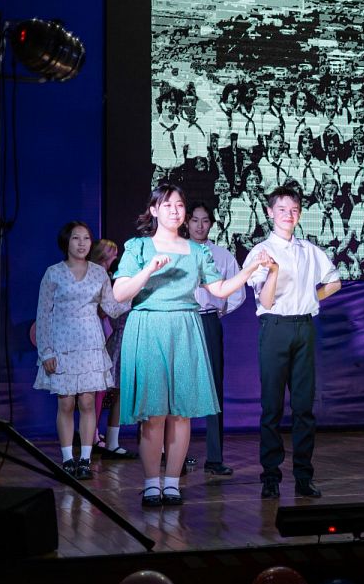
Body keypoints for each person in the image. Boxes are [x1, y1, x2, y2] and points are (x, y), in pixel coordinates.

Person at [113, 184, 267, 508]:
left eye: (179, 205)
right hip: (149, 326)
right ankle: (151, 484)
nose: (174, 210)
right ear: (154, 210)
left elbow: (220, 289)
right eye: (167, 205)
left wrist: (250, 269)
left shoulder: (197, 252)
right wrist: (148, 270)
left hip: (185, 327)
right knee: (154, 414)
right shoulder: (138, 247)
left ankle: (172, 483)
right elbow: (120, 293)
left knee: (181, 414)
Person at [243, 185, 342, 499]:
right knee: (271, 407)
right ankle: (271, 476)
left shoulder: (309, 250)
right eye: (282, 209)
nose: (288, 214)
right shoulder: (261, 251)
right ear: (270, 212)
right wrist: (273, 272)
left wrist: (311, 297)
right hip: (274, 326)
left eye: (294, 210)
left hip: (303, 327)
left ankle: (303, 476)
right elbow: (266, 301)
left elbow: (334, 282)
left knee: (303, 408)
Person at [34, 222, 131, 479]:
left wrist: (135, 292)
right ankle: (68, 459)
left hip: (90, 344)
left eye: (86, 238)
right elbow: (43, 315)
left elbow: (112, 308)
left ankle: (85, 459)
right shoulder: (53, 273)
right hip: (62, 344)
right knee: (66, 402)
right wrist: (46, 351)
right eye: (76, 238)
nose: (81, 243)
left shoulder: (99, 273)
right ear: (66, 242)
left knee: (88, 401)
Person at [188, 201, 246, 477]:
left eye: (205, 221)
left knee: (213, 387)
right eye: (194, 220)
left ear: (211, 224)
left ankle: (214, 458)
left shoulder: (222, 255)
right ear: (186, 223)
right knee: (179, 386)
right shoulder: (177, 251)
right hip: (182, 320)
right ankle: (176, 455)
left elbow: (238, 292)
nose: (200, 226)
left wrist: (219, 310)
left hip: (209, 319)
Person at [88, 238, 137, 459]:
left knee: (116, 392)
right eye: (112, 254)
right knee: (106, 391)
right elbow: (105, 311)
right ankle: (96, 438)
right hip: (114, 338)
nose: (116, 258)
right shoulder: (104, 279)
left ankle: (105, 439)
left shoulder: (114, 278)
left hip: (122, 337)